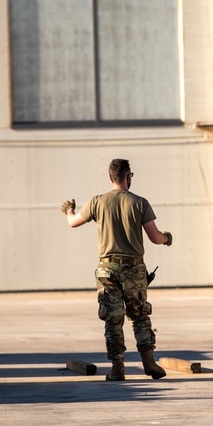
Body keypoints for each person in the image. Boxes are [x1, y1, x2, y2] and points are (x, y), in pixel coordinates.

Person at [61, 159, 173, 381]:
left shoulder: (98, 202)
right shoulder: (140, 203)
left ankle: (118, 368)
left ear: (110, 176)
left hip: (108, 270)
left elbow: (73, 222)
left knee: (113, 320)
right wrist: (167, 238)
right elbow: (155, 237)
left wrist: (69, 209)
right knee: (140, 316)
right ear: (128, 177)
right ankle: (149, 362)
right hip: (134, 270)